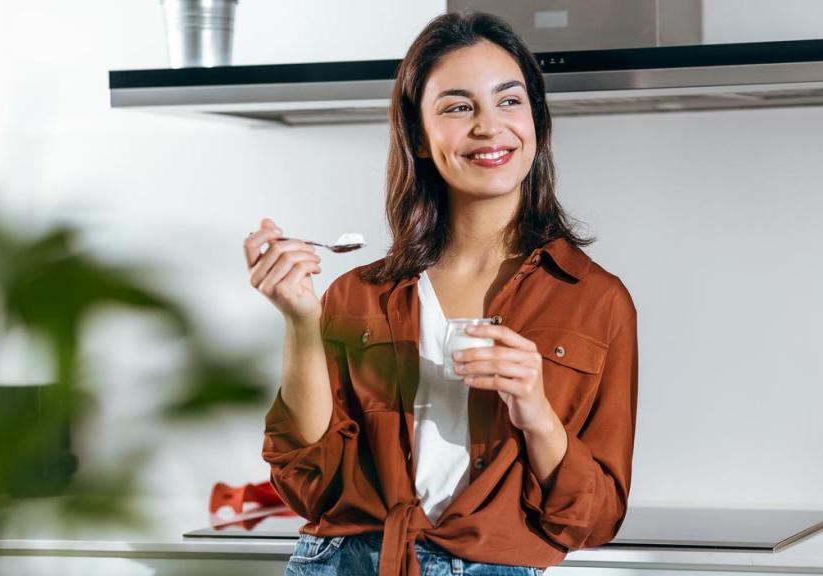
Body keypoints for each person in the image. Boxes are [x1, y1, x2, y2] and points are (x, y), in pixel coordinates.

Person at [244, 11, 638, 576]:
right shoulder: (357, 294)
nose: (489, 126)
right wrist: (301, 321)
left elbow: (593, 519)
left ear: (537, 123)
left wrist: (536, 412)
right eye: (458, 107)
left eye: (509, 101)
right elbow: (310, 484)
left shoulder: (594, 301)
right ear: (421, 139)